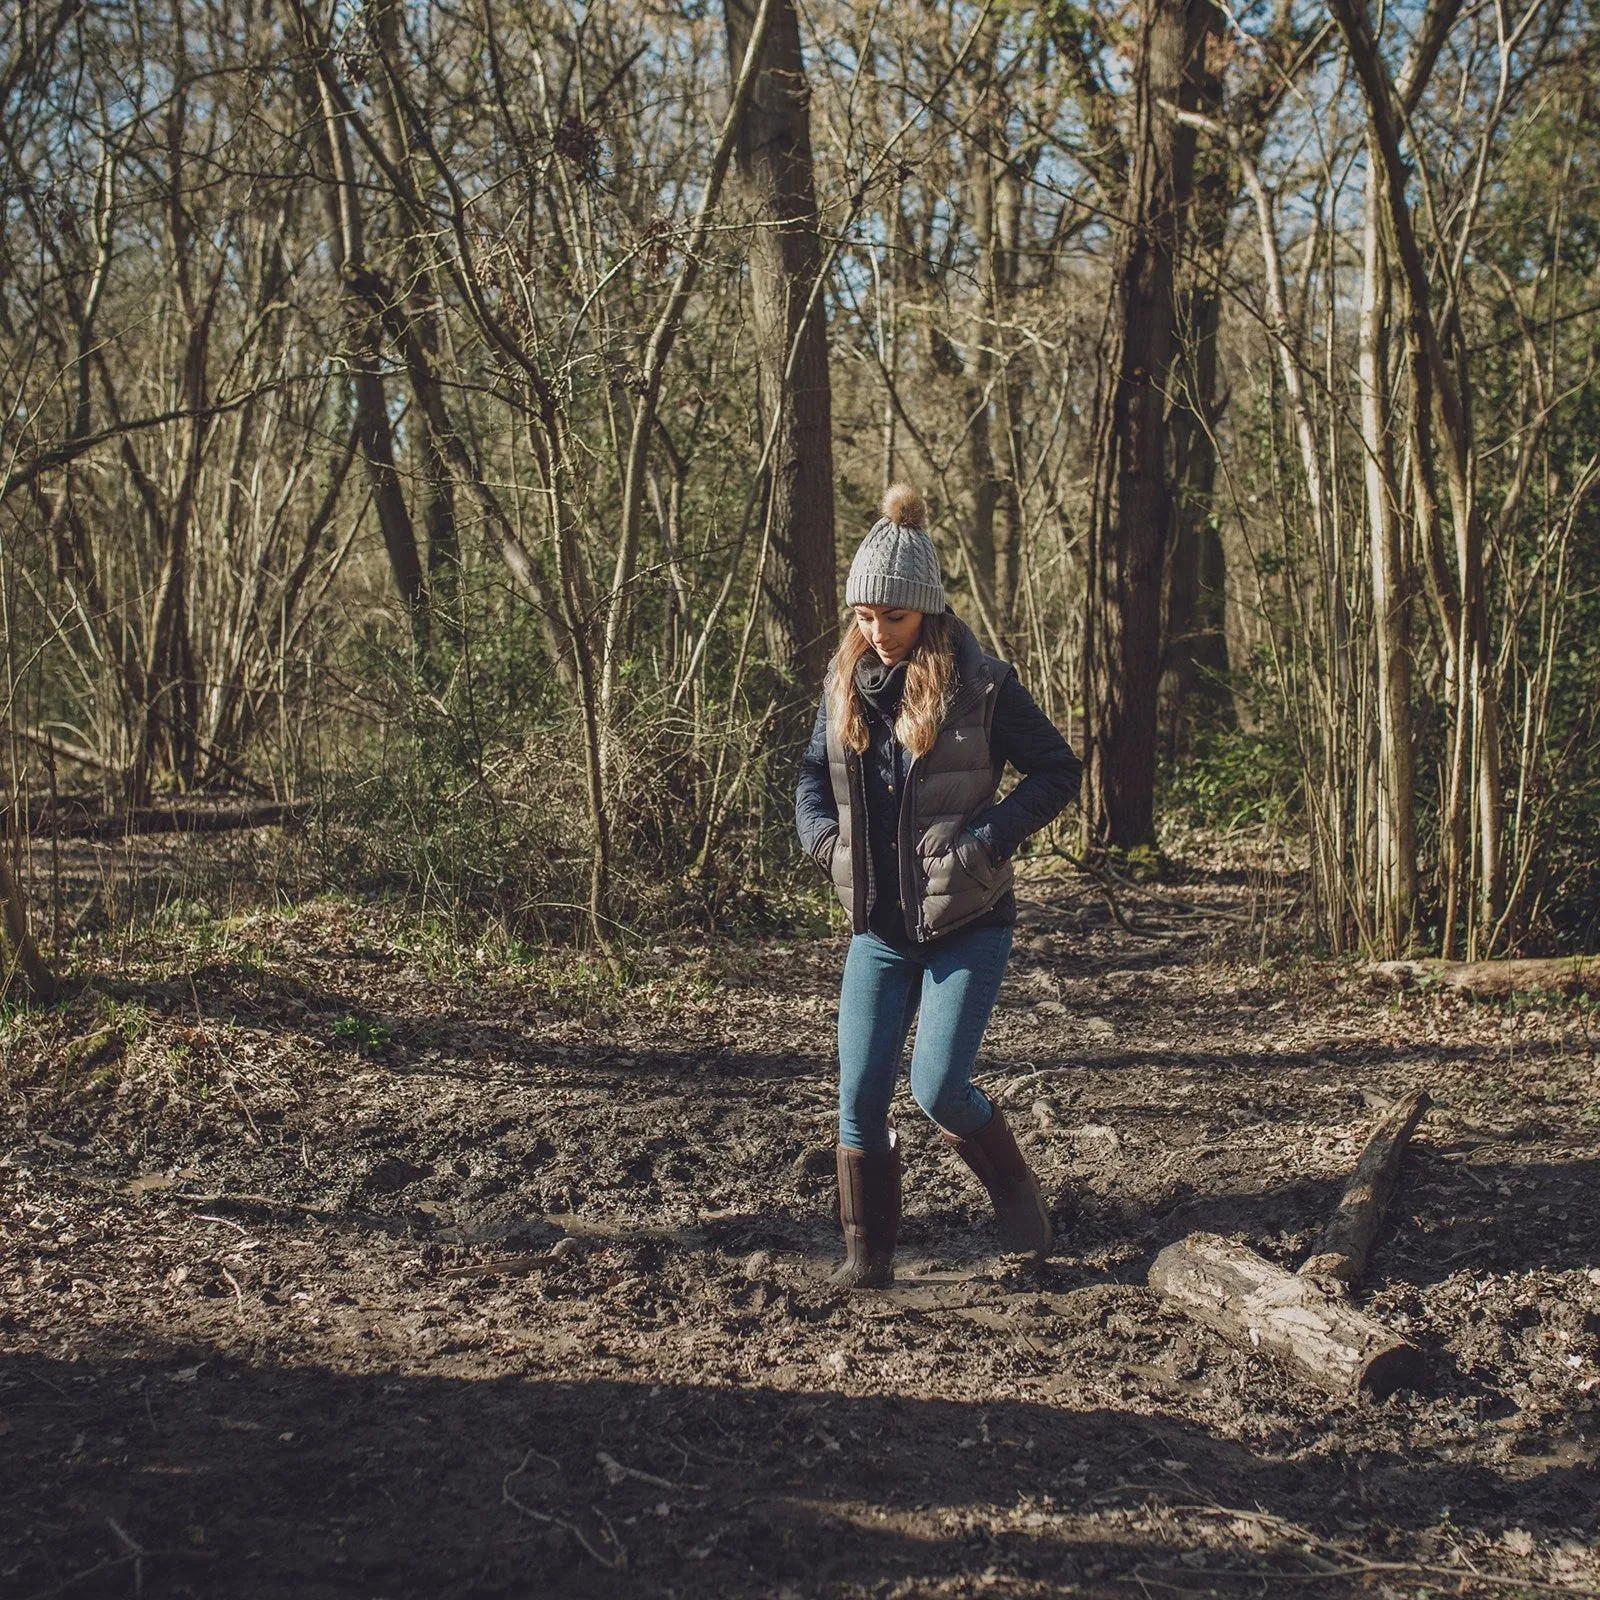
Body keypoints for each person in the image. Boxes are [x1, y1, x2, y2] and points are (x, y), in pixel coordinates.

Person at [795, 484, 1082, 1289]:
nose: (876, 633)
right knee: (858, 1097)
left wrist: (989, 840)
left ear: (926, 611)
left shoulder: (981, 686)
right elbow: (811, 775)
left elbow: (1058, 769)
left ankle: (1019, 1201)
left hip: (968, 918)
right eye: (864, 616)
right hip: (878, 928)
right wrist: (823, 843)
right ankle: (868, 1258)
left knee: (939, 1088)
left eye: (892, 616)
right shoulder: (843, 682)